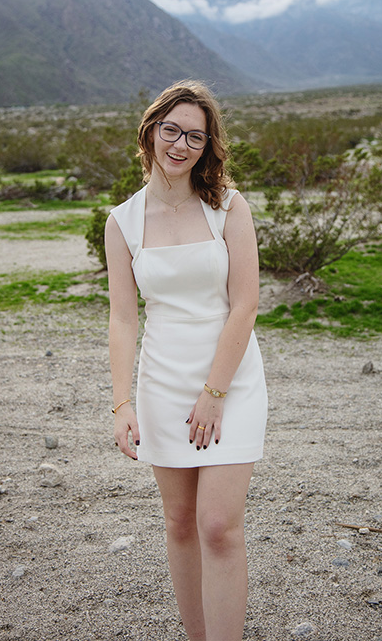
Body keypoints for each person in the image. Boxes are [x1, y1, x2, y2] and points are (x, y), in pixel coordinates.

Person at [105, 80, 267, 640]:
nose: (180, 144)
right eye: (171, 130)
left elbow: (245, 304)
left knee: (218, 526)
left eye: (195, 136)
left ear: (207, 145)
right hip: (162, 382)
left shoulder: (228, 205)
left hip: (231, 382)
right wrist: (122, 402)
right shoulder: (122, 222)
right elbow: (123, 319)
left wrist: (214, 393)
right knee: (178, 523)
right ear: (150, 132)